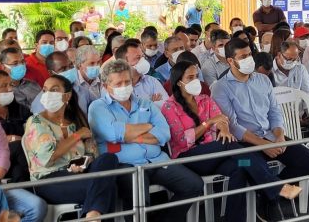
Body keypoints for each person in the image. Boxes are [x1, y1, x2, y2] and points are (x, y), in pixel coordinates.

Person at [162, 61, 302, 222]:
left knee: (242, 165)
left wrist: (224, 129)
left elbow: (222, 120)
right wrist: (209, 123)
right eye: (190, 77)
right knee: (227, 144)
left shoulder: (205, 100)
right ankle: (277, 187)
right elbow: (181, 140)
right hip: (190, 158)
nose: (196, 81)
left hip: (216, 154)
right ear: (179, 82)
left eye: (197, 76)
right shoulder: (169, 106)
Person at [211, 39, 309, 217]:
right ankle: (274, 195)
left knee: (308, 161)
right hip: (244, 146)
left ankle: (267, 197)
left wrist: (280, 136)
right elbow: (233, 127)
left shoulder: (263, 80)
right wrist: (263, 146)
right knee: (248, 165)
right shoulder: (220, 87)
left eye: (250, 55)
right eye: (243, 56)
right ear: (230, 60)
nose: (249, 59)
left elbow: (275, 112)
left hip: (270, 137)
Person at [88, 60, 203, 222]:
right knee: (139, 200)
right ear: (106, 86)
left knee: (194, 185)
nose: (124, 86)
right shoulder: (98, 107)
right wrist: (148, 126)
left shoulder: (145, 103)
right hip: (126, 165)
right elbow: (114, 134)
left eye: (127, 82)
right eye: (118, 83)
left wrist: (130, 135)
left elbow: (164, 133)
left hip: (156, 160)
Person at [24, 75, 119, 220]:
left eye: (54, 90)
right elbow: (48, 157)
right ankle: (93, 215)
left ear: (67, 96)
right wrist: (76, 136)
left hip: (77, 173)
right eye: (45, 90)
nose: (48, 94)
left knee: (109, 158)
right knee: (107, 186)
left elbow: (93, 154)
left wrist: (80, 164)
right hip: (49, 179)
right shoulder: (37, 121)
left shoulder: (76, 122)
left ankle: (93, 215)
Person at [0, 71, 30, 182]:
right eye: (4, 86)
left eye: (11, 85)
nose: (9, 89)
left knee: (18, 170)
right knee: (18, 146)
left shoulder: (20, 109)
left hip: (20, 156)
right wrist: (12, 138)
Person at [114, 43, 169, 107]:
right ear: (123, 63)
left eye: (143, 56)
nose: (143, 60)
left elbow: (166, 106)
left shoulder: (152, 81)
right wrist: (151, 103)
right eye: (138, 58)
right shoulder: (114, 87)